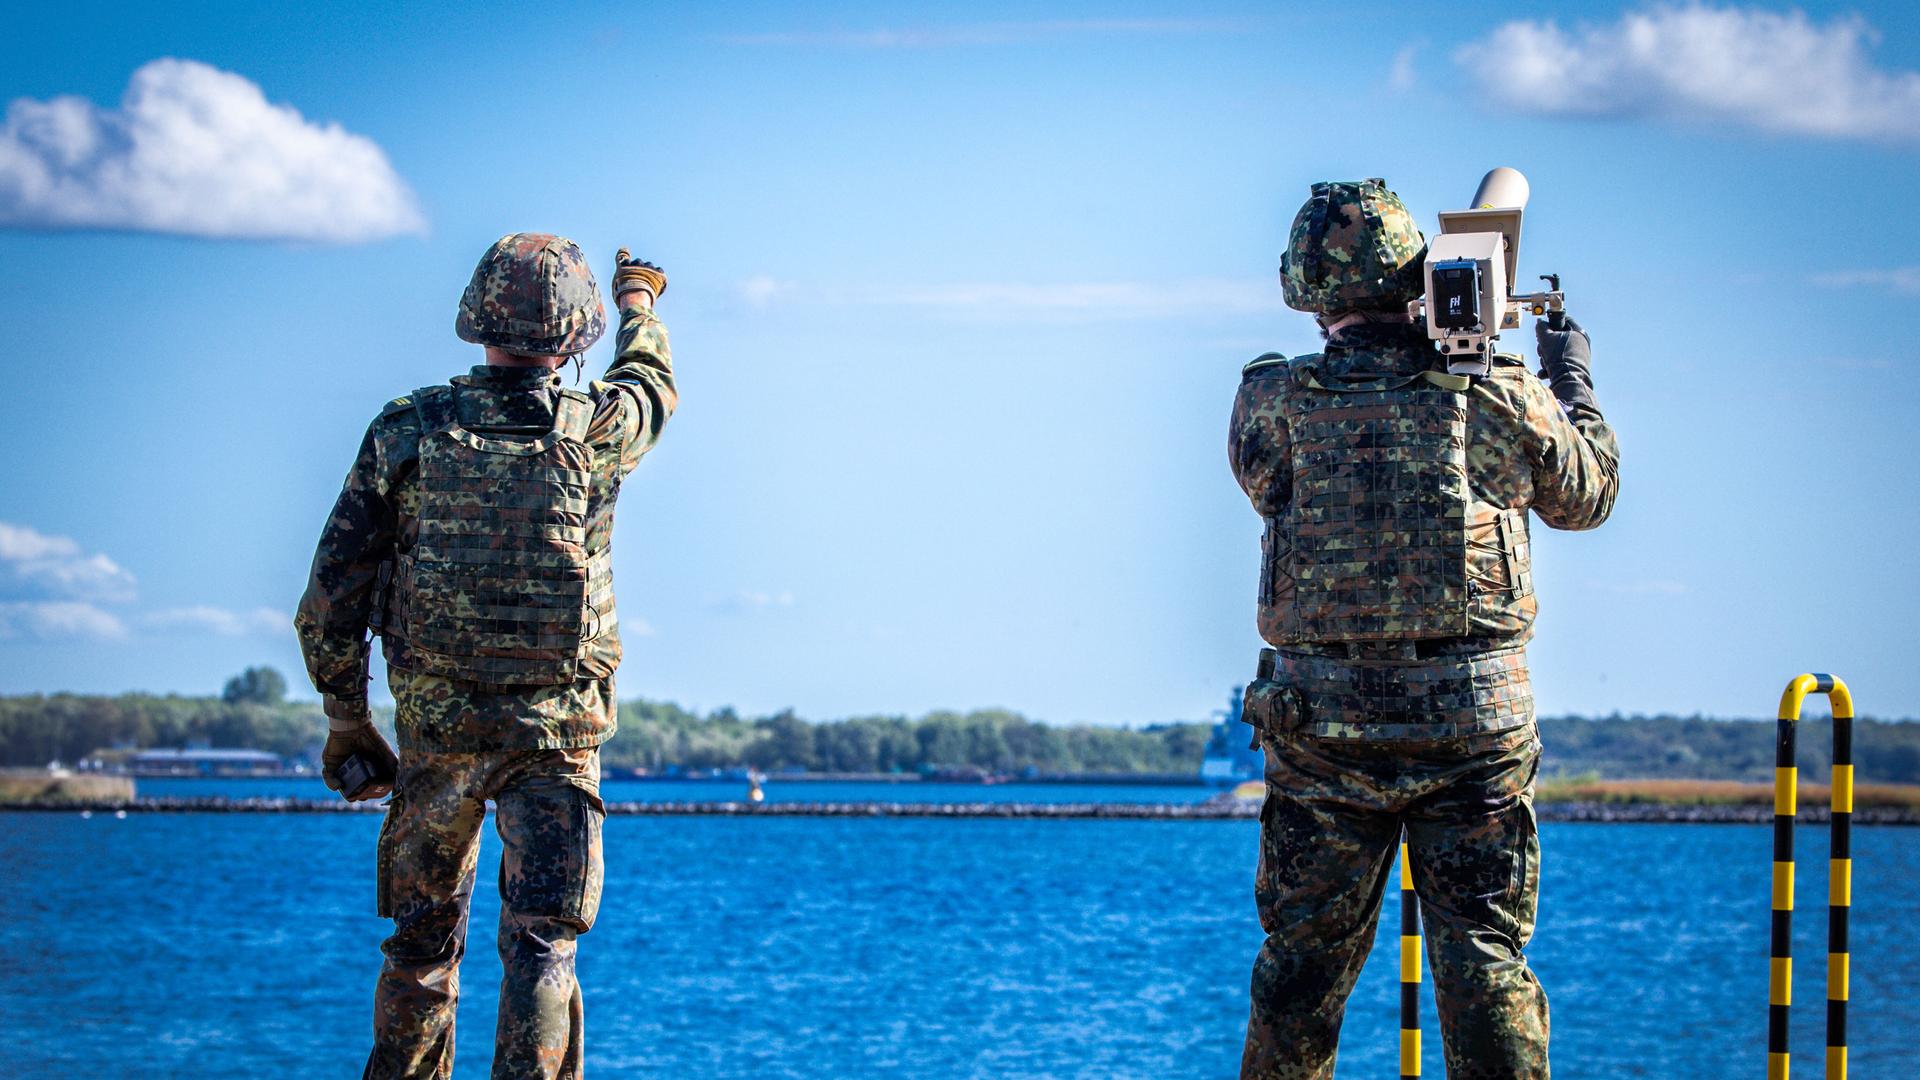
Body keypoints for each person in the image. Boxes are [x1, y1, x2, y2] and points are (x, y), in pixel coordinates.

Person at [1228, 179, 1619, 1079]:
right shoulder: (1491, 396)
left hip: (1323, 733)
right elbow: (1588, 494)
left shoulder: (1272, 402)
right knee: (1483, 961)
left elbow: (1265, 480)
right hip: (1472, 729)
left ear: (1307, 290)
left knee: (1301, 967)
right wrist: (1567, 374)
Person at [295, 233, 677, 1080]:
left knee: (421, 948)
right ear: (574, 340)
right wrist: (639, 302)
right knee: (544, 946)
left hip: (439, 731)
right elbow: (651, 386)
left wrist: (346, 718)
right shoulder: (600, 428)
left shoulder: (408, 430)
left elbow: (333, 593)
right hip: (559, 734)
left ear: (476, 321)